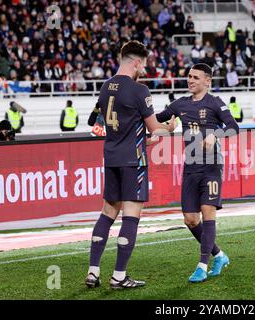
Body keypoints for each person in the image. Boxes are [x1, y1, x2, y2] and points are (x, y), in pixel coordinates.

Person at [84, 40, 177, 290]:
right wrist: (170, 127)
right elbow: (155, 130)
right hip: (133, 161)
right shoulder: (139, 90)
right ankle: (118, 276)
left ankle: (93, 272)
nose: (144, 69)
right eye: (143, 64)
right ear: (136, 62)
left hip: (111, 156)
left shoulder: (104, 88)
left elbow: (106, 124)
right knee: (131, 216)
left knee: (107, 213)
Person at [156, 63, 239, 283]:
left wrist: (216, 135)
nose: (190, 80)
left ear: (207, 81)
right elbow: (154, 121)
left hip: (212, 166)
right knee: (191, 219)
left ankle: (202, 265)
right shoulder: (180, 104)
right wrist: (166, 128)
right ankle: (219, 256)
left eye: (195, 77)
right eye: (189, 76)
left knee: (207, 210)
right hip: (191, 167)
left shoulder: (215, 103)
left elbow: (233, 126)